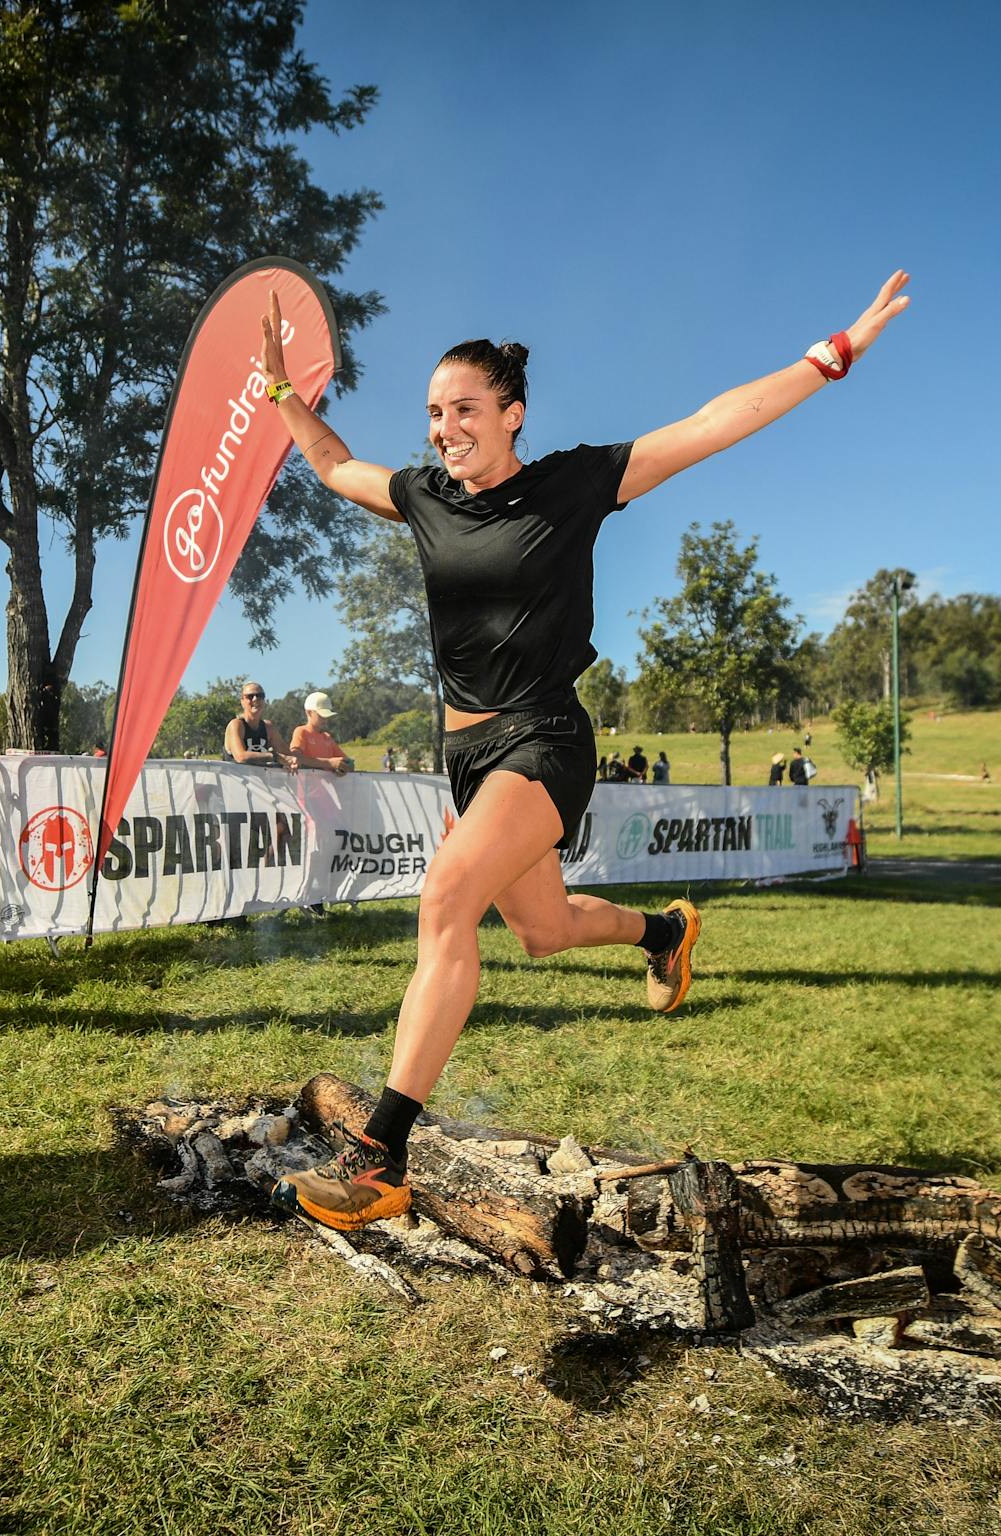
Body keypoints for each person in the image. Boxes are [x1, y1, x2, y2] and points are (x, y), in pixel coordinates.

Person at [258, 269, 913, 1229]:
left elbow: (711, 423)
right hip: (469, 757)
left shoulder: (571, 484)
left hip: (546, 738)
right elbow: (329, 460)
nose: (446, 426)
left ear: (513, 413)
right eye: (436, 412)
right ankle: (665, 934)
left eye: (467, 408)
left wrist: (831, 355)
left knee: (446, 897)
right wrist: (280, 391)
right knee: (544, 930)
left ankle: (380, 1156)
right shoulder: (425, 497)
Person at [224, 680, 296, 770]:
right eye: (250, 696)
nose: (255, 699)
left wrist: (292, 761)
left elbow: (288, 755)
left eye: (260, 696)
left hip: (260, 782)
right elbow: (240, 757)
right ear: (242, 701)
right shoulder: (236, 725)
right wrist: (275, 757)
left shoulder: (268, 727)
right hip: (235, 781)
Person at [289, 691, 353, 774]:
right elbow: (295, 757)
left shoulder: (327, 737)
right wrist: (329, 763)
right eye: (321, 715)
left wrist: (341, 768)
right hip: (307, 786)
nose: (325, 719)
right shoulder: (301, 731)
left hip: (327, 786)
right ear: (309, 712)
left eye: (327, 716)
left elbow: (347, 762)